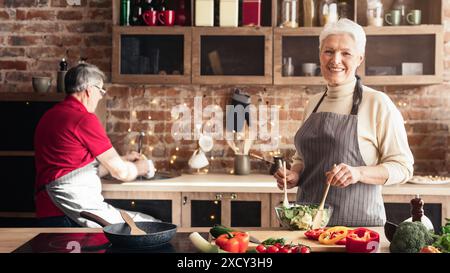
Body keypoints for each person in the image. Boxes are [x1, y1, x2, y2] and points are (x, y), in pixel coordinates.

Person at [274, 19, 414, 227]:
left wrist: (358, 173)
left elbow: (403, 167)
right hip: (306, 227)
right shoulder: (313, 103)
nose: (335, 60)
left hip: (358, 230)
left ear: (360, 58)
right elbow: (302, 158)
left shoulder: (377, 103)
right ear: (320, 55)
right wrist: (295, 174)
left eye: (345, 53)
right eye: (329, 51)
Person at [34, 63, 158, 227]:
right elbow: (120, 172)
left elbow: (73, 168)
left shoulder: (50, 116)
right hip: (70, 210)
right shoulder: (83, 119)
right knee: (150, 226)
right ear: (89, 90)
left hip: (48, 210)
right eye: (100, 91)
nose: (101, 97)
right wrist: (141, 168)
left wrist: (122, 158)